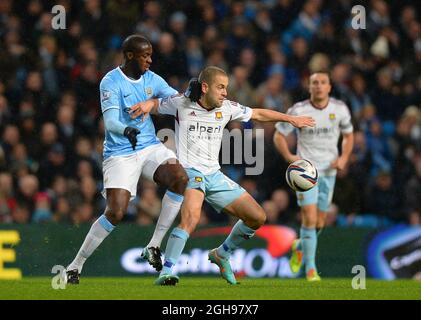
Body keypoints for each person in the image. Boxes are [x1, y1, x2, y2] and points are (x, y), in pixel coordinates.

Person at [129, 66, 314, 285]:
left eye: (226, 88)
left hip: (214, 175)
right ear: (205, 87)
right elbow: (157, 105)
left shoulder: (227, 108)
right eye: (221, 87)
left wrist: (290, 119)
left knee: (257, 217)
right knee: (191, 218)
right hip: (190, 173)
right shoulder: (182, 104)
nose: (225, 92)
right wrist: (146, 105)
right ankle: (166, 271)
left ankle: (222, 254)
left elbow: (258, 113)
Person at [64, 35, 189, 284]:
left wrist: (188, 95)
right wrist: (127, 129)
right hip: (120, 152)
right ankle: (74, 266)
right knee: (116, 212)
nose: (150, 60)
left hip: (150, 146)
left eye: (151, 55)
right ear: (130, 55)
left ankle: (153, 245)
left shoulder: (153, 79)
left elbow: (178, 102)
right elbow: (110, 122)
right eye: (145, 56)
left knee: (179, 178)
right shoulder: (110, 82)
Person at [273, 71, 354, 281]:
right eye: (314, 83)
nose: (318, 86)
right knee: (308, 217)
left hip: (329, 171)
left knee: (319, 222)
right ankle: (310, 269)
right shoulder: (299, 110)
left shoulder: (340, 109)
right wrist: (290, 156)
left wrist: (344, 157)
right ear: (309, 87)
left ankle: (300, 246)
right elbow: (279, 135)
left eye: (323, 83)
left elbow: (348, 136)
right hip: (306, 173)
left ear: (329, 87)